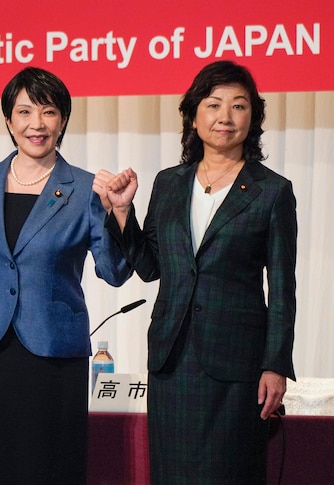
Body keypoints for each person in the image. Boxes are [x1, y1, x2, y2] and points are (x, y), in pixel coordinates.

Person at [0, 67, 132, 484]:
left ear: (63, 120)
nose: (37, 124)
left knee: (47, 466)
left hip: (52, 353)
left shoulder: (86, 188)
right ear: (9, 121)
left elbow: (114, 271)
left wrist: (118, 213)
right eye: (25, 112)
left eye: (48, 112)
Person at [95, 60, 297, 483]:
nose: (225, 117)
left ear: (253, 118)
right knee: (172, 472)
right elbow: (150, 267)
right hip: (173, 358)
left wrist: (275, 364)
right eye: (214, 104)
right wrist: (122, 211)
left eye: (239, 106)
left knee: (231, 471)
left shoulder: (272, 191)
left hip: (237, 364)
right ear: (193, 115)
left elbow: (281, 287)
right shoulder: (169, 183)